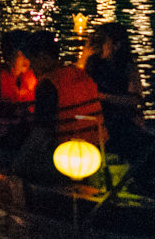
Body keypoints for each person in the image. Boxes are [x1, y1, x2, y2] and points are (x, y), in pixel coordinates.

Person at [11, 31, 106, 183]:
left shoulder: (48, 84)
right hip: (98, 150)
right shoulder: (79, 74)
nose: (31, 69)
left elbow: (40, 134)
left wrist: (16, 165)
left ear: (42, 57)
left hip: (68, 155)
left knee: (16, 164)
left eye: (32, 62)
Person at [83, 21, 149, 154]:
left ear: (116, 45)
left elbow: (135, 99)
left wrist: (104, 97)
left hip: (120, 120)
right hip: (98, 118)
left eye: (103, 42)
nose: (99, 46)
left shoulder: (127, 67)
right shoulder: (93, 63)